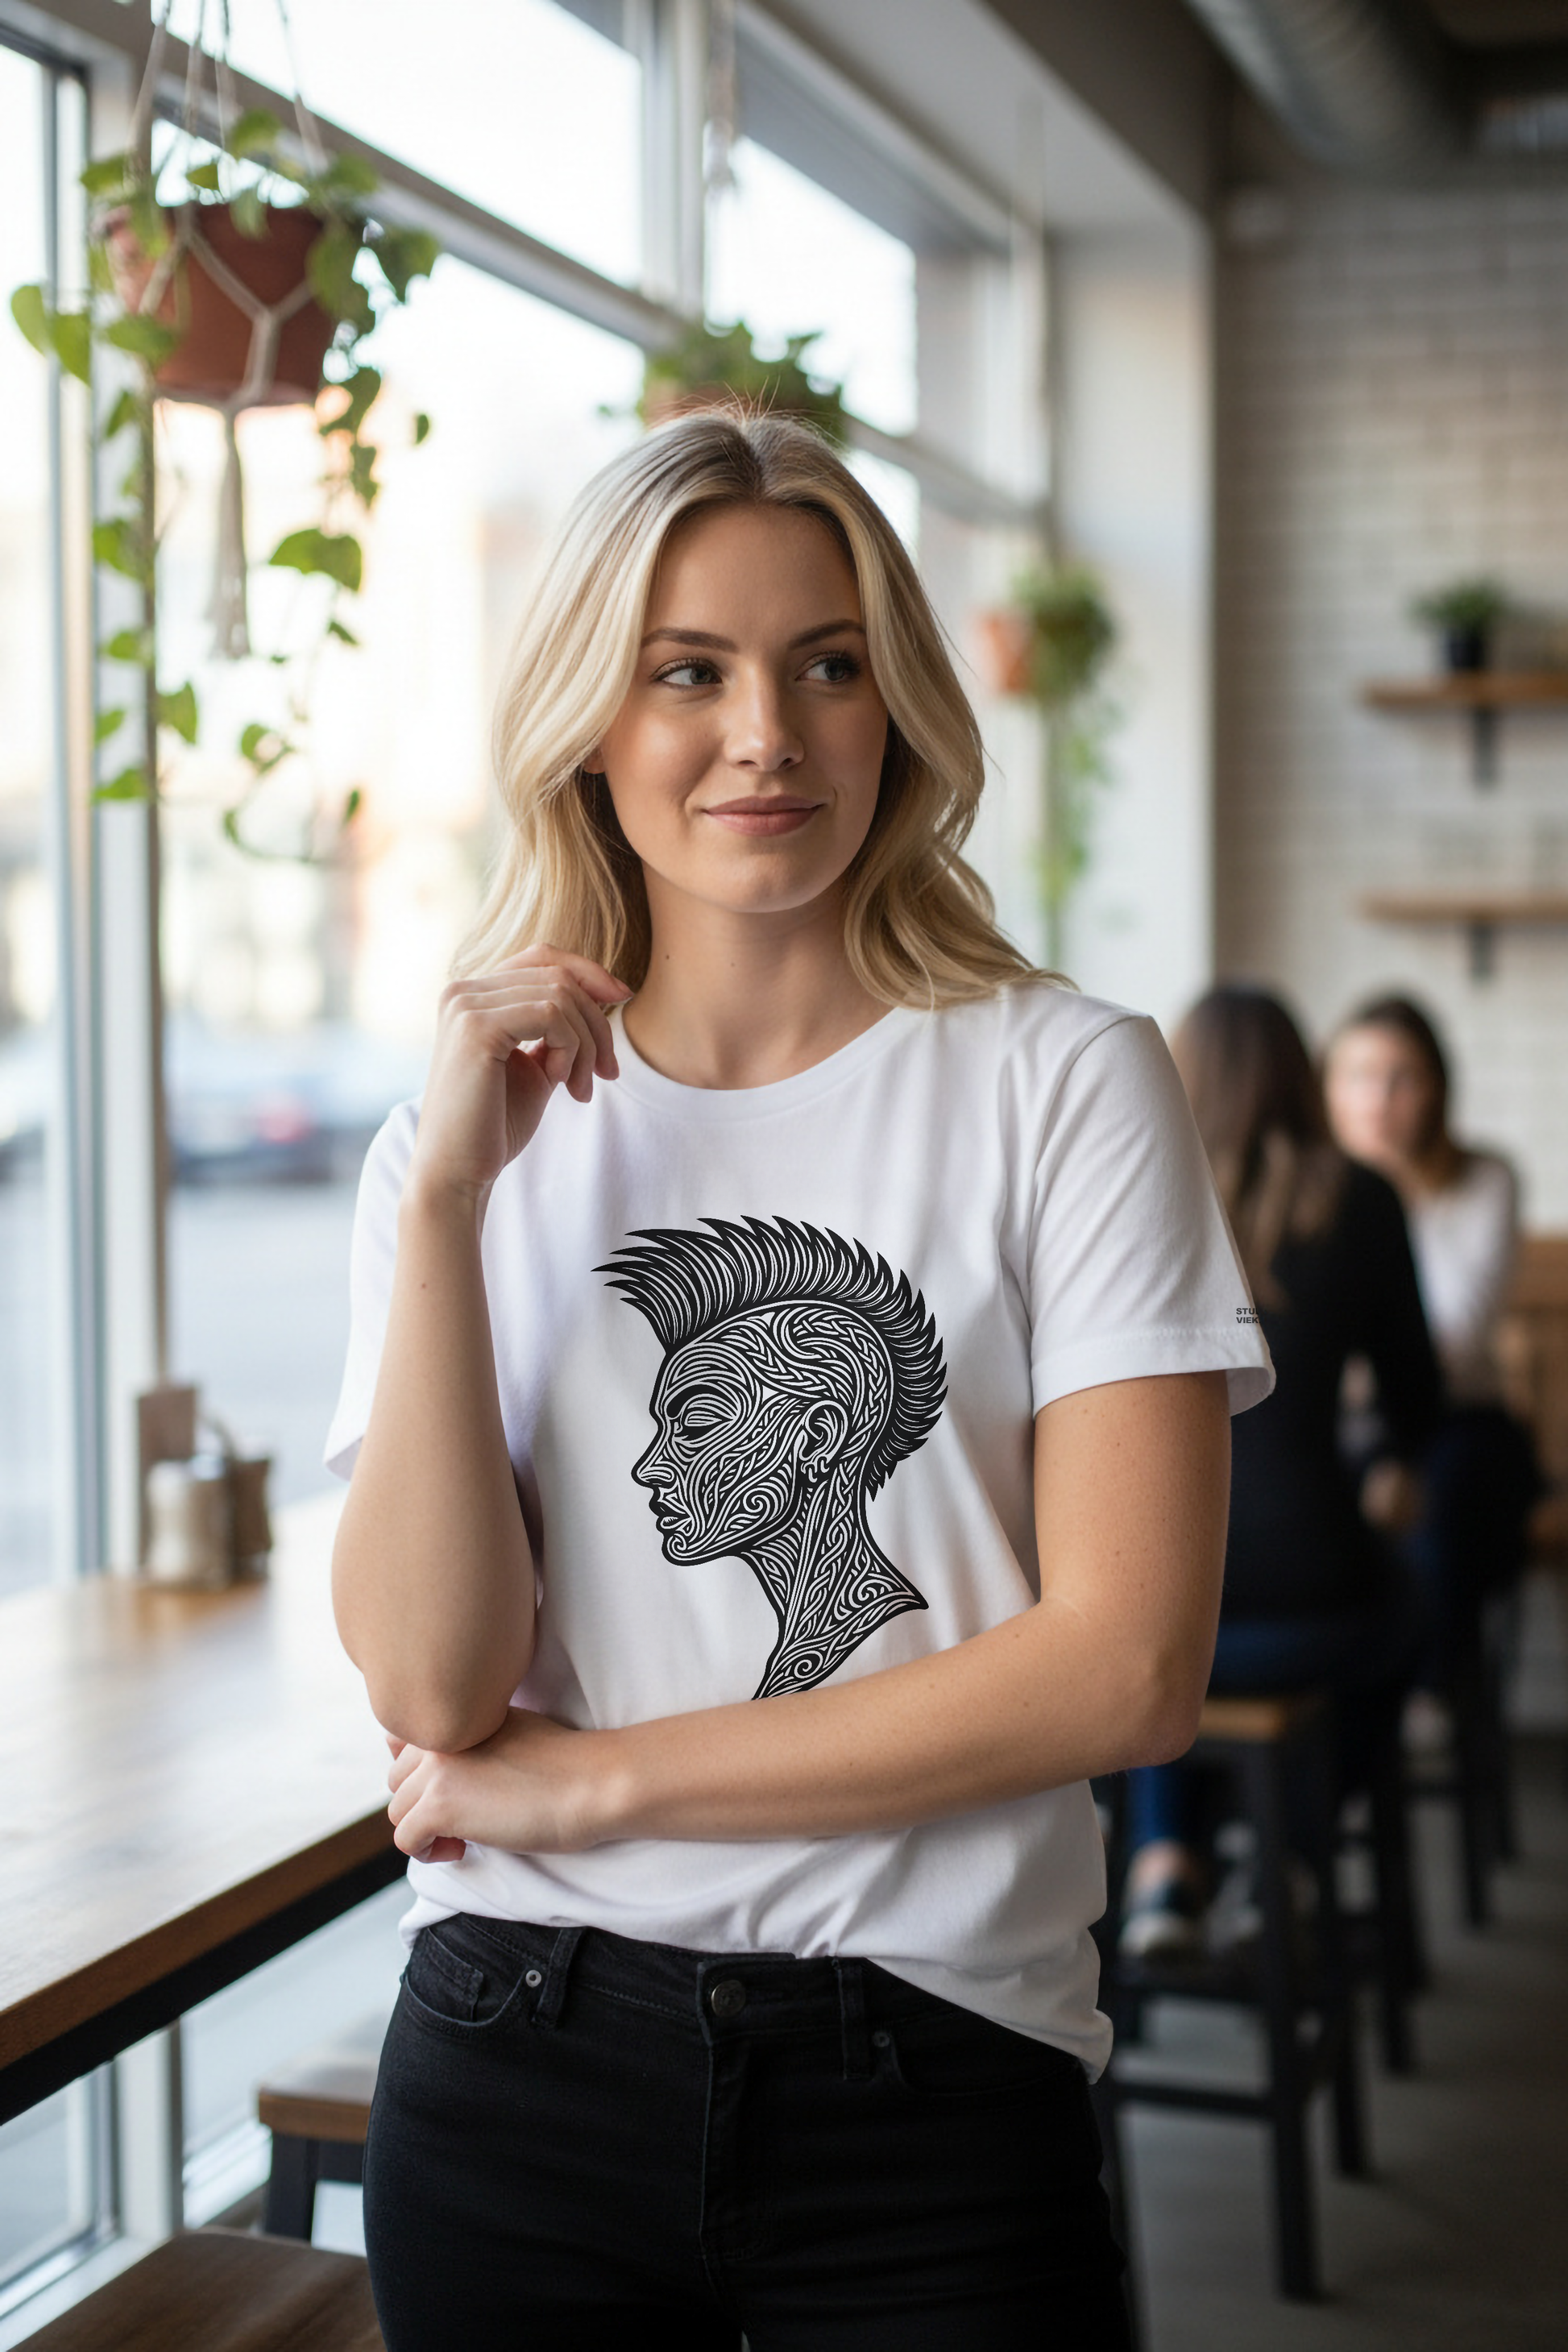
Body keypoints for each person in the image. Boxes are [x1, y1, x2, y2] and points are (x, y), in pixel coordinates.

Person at [326, 409, 1272, 2350]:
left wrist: (602, 1781)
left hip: (931, 2064)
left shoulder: (1063, 1081)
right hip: (515, 2056)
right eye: (690, 671)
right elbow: (431, 1686)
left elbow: (1126, 1669)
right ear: (590, 724)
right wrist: (442, 1205)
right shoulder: (462, 1146)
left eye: (826, 665)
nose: (766, 734)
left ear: (896, 706)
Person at [1119, 986, 1441, 1961]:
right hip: (1308, 1601)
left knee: (1156, 1636)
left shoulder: (1129, 1194)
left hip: (1152, 1601)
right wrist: (1381, 1455)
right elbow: (1416, 1400)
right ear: (1302, 1078)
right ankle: (1285, 1856)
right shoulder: (1359, 1198)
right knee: (1407, 1606)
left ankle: (1163, 1863)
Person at [1324, 994, 1541, 1721]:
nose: (1378, 1099)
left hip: (1459, 1420)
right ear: (1326, 1087)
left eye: (1402, 1078)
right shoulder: (1311, 1192)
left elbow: (1451, 1338)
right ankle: (1340, 1721)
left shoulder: (1484, 1181)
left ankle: (1424, 1695)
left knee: (1440, 1491)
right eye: (1359, 1076)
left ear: (1437, 1089)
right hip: (1344, 1429)